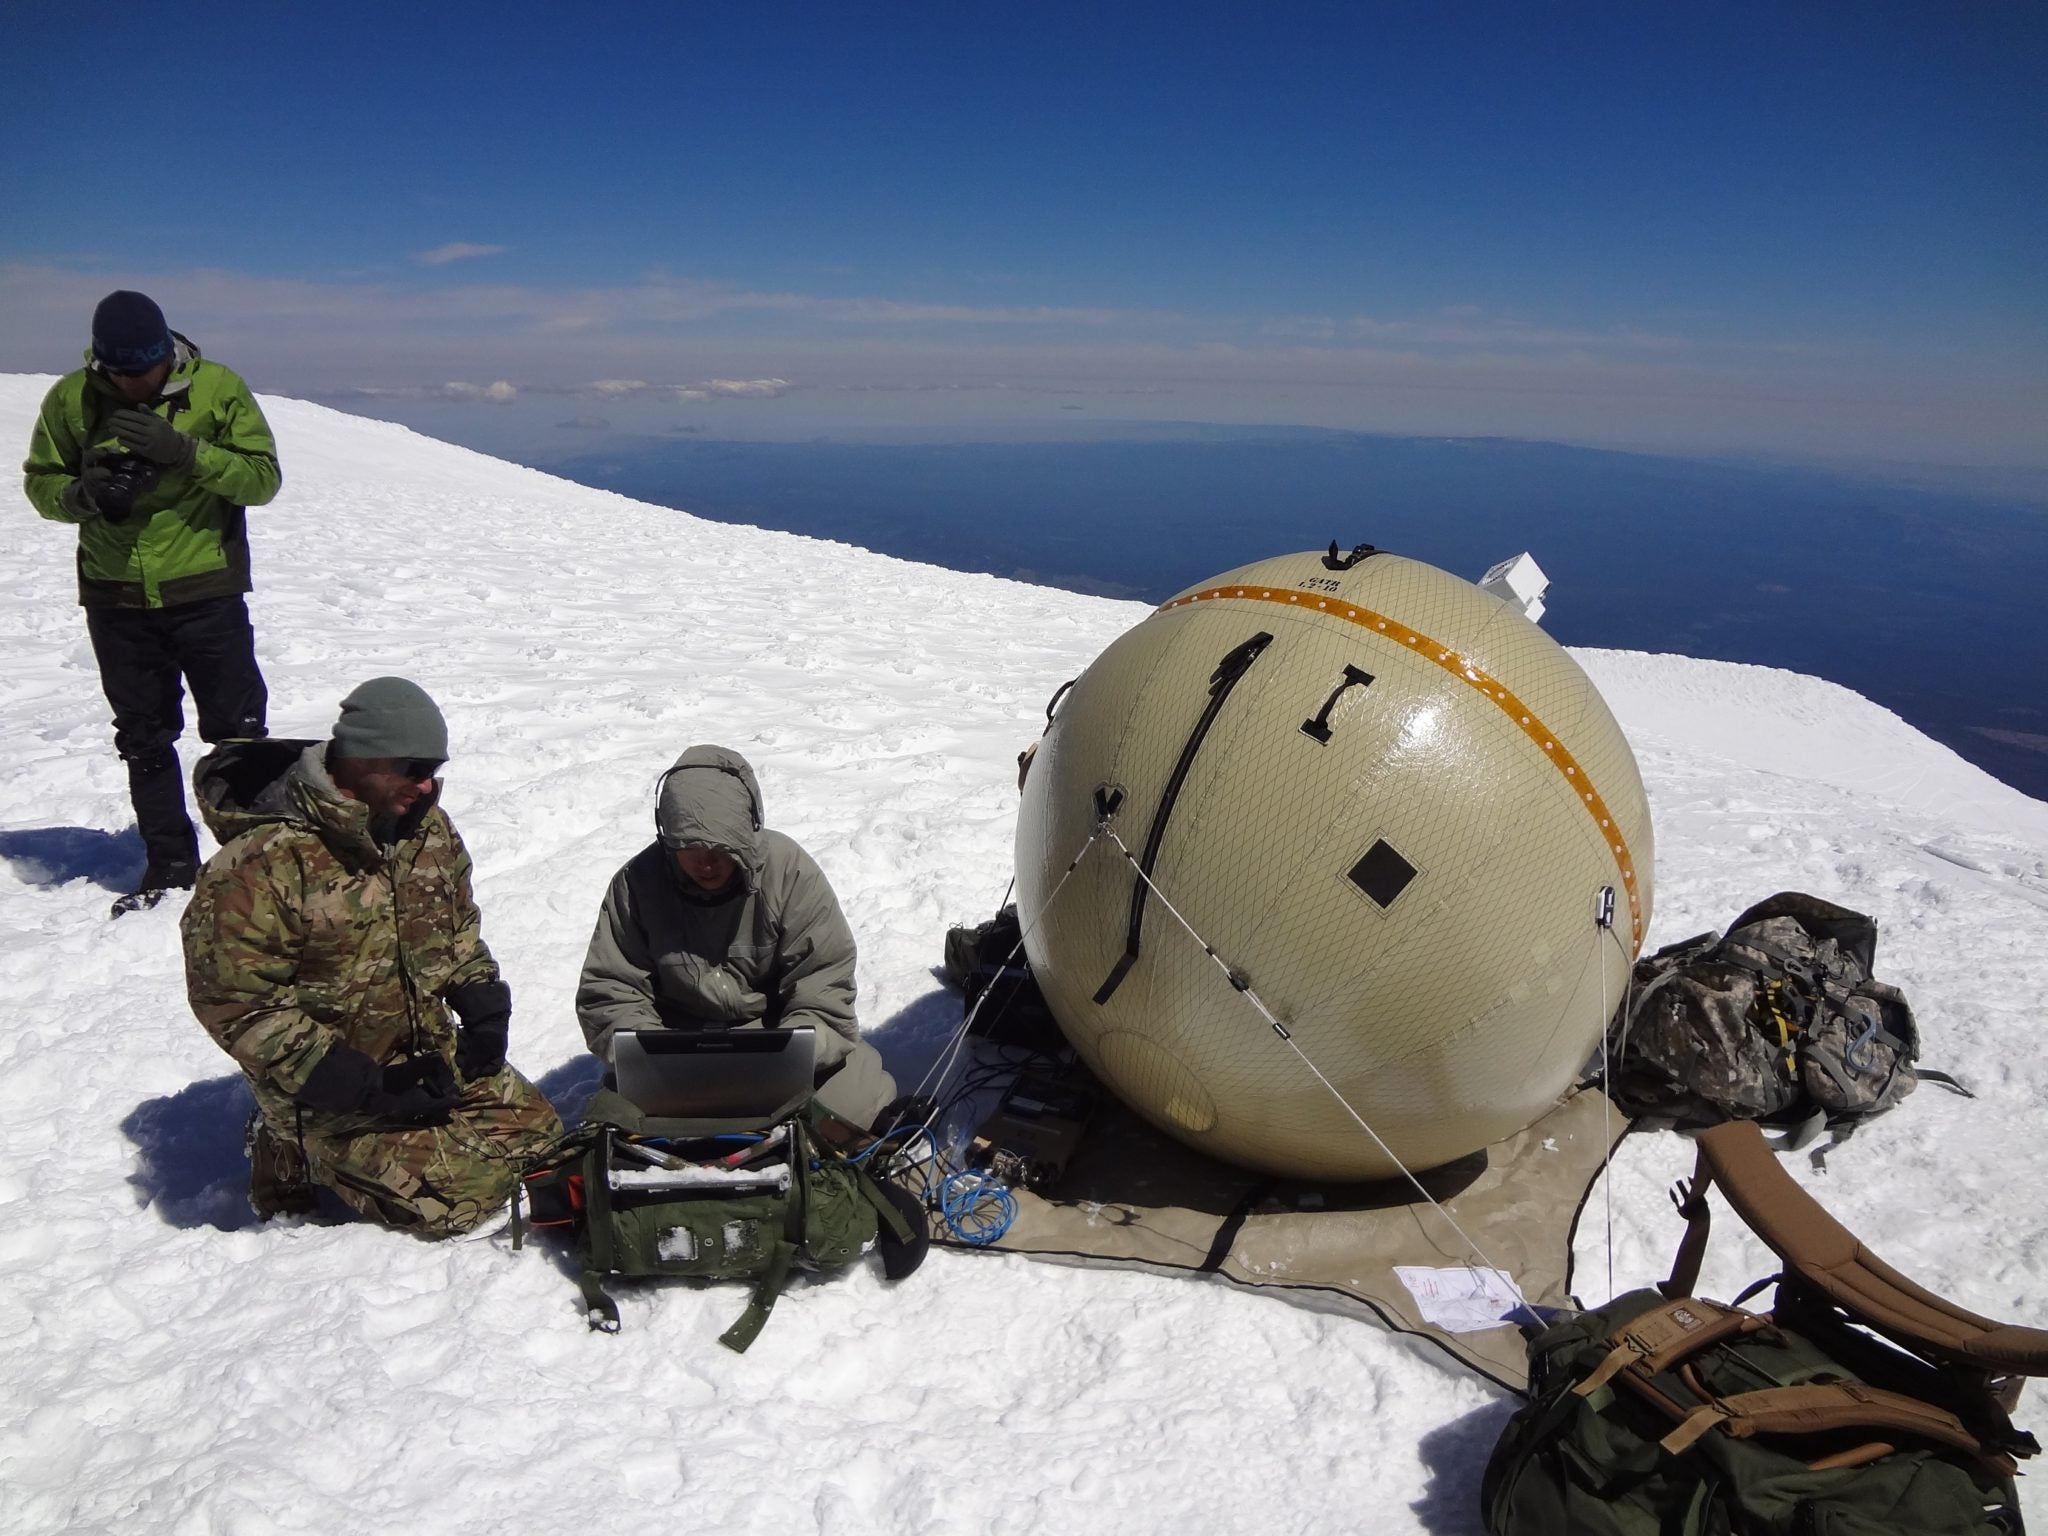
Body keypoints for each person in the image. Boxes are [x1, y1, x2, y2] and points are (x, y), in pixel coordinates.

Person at [182, 677, 563, 1234]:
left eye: (433, 768)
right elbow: (239, 1004)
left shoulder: (425, 830)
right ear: (361, 759)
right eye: (413, 768)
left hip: (427, 1060)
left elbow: (456, 930)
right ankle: (289, 1146)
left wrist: (481, 1000)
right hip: (325, 1089)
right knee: (461, 1199)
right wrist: (361, 1084)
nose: (427, 784)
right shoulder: (263, 862)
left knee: (543, 1142)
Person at [22, 291, 282, 917]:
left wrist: (186, 453)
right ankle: (169, 866)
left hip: (205, 585)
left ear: (167, 352)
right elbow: (41, 481)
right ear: (101, 363)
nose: (133, 383)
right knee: (143, 736)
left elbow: (261, 479)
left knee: (238, 732)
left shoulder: (218, 388)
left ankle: (255, 865)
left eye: (143, 369)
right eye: (119, 372)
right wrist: (82, 495)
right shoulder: (71, 399)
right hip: (115, 595)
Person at [577, 745, 898, 1128]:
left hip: (774, 1037)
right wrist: (653, 1053)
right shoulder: (636, 885)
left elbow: (824, 982)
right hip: (675, 1047)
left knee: (860, 1098)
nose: (706, 862)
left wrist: (791, 1054)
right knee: (613, 1126)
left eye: (721, 848)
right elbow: (611, 991)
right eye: (689, 848)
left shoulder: (789, 873)